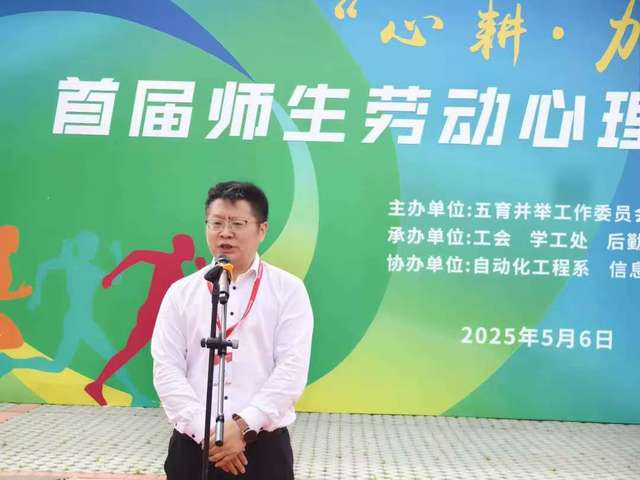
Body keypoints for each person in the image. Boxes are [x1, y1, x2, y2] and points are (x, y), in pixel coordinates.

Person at [151, 181, 314, 480]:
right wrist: (208, 434)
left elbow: (291, 369)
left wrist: (241, 427)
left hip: (263, 450)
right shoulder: (181, 293)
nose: (225, 233)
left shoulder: (288, 291)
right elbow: (166, 369)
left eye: (237, 224)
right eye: (216, 223)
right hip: (194, 448)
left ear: (261, 230)